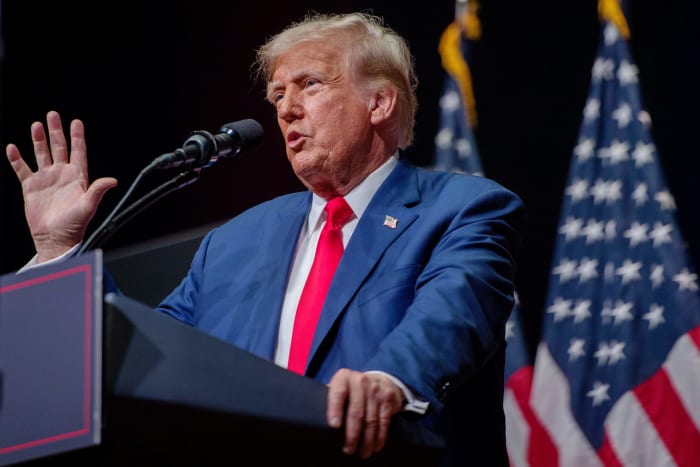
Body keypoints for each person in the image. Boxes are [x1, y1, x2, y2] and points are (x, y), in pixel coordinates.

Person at [6, 12, 526, 467]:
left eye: (310, 85)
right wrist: (59, 252)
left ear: (381, 103)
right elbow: (141, 350)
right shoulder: (231, 244)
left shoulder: (461, 209)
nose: (286, 109)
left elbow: (452, 315)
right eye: (279, 94)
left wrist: (388, 380)